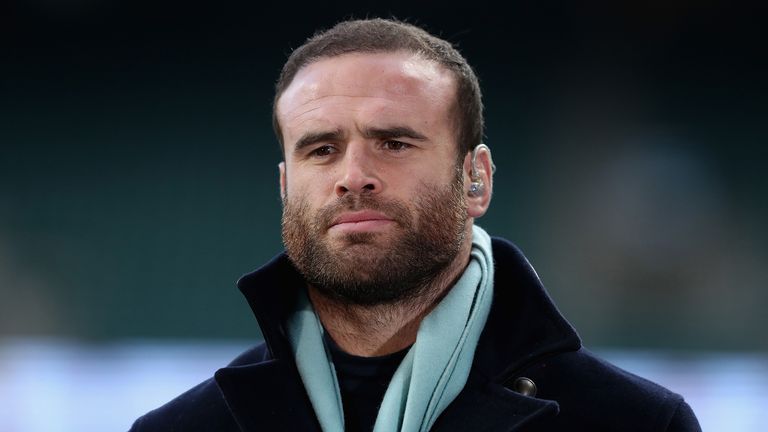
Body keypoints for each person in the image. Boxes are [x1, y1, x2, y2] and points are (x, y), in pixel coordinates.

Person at [130, 18, 701, 432]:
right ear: (285, 187)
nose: (354, 176)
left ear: (475, 178)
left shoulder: (635, 424)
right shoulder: (184, 429)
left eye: (394, 143)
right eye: (322, 149)